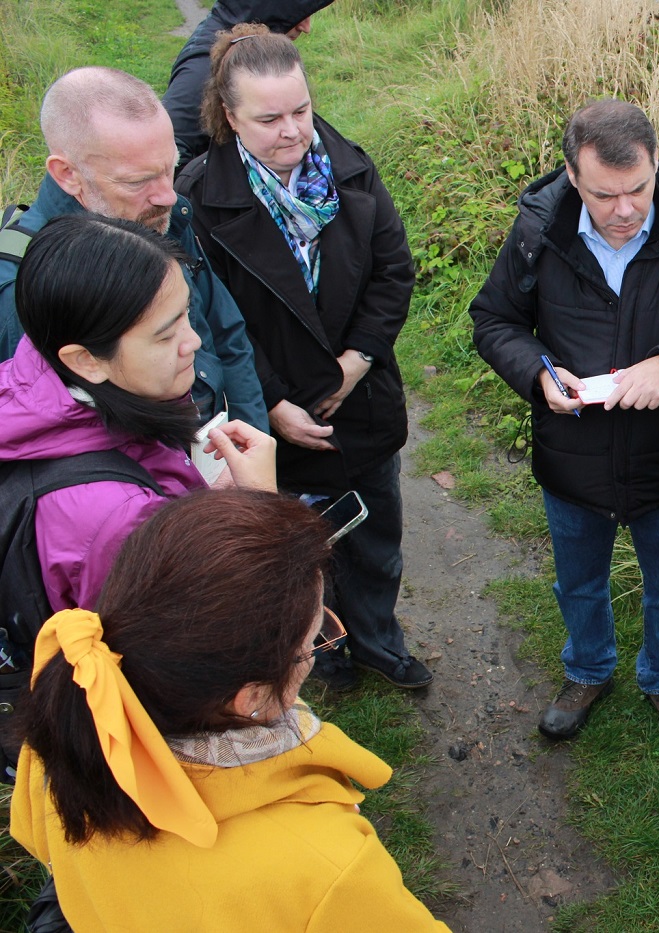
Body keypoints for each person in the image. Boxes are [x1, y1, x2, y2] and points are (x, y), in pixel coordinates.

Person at [9, 488, 451, 932]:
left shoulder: (76, 712)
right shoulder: (326, 868)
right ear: (250, 698)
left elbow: (33, 835)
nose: (318, 649)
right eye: (315, 638)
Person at [469, 99, 659, 745]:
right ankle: (588, 669)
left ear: (656, 166)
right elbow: (494, 320)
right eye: (605, 194)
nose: (626, 210)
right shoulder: (538, 235)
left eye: (639, 189)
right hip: (573, 454)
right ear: (572, 176)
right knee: (579, 581)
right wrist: (538, 373)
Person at [177, 25, 427, 692]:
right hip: (269, 418)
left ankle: (378, 640)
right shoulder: (198, 198)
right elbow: (205, 317)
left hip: (362, 402)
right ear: (229, 117)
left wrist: (358, 360)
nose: (292, 132)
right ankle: (321, 650)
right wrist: (274, 404)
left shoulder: (352, 168)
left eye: (301, 110)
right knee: (294, 549)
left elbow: (393, 274)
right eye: (269, 118)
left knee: (376, 539)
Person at [0, 213, 276, 616]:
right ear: (86, 360)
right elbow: (195, 641)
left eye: (186, 312)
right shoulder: (118, 520)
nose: (194, 341)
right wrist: (258, 511)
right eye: (166, 335)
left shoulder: (42, 371)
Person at [0, 67, 267, 431]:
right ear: (67, 174)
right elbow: (61, 436)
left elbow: (226, 334)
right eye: (138, 181)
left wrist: (250, 436)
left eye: (169, 167)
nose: (168, 195)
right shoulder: (25, 288)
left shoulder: (153, 213)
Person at [163, 0, 336, 174]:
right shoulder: (200, 70)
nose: (306, 28)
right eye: (269, 120)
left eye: (300, 112)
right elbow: (169, 152)